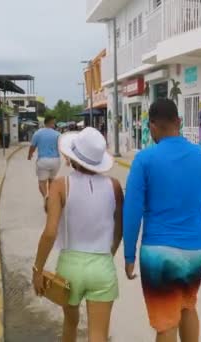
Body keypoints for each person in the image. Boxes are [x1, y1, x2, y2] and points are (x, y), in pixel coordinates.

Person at [123, 99, 201, 342]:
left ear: (151, 126)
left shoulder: (144, 160)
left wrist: (129, 255)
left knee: (165, 323)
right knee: (187, 306)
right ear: (180, 122)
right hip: (195, 251)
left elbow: (132, 211)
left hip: (158, 253)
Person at [32, 127, 123, 342]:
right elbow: (119, 230)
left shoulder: (60, 186)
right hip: (102, 265)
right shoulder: (115, 186)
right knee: (98, 335)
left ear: (71, 157)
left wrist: (38, 269)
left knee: (70, 325)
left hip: (70, 267)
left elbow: (50, 232)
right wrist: (109, 253)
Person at [28, 116, 61, 203]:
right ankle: (51, 197)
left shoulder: (37, 133)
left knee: (42, 183)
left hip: (43, 161)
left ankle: (46, 197)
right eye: (54, 123)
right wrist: (67, 159)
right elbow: (61, 147)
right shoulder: (58, 134)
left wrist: (29, 155)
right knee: (52, 181)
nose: (54, 124)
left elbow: (33, 146)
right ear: (51, 123)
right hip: (56, 161)